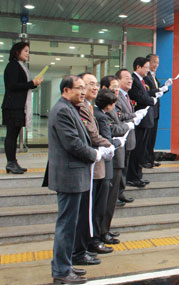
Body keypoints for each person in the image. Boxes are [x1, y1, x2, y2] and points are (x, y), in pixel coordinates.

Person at [49, 75, 99, 284]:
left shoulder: (69, 108)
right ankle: (61, 271)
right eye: (79, 88)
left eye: (83, 88)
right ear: (66, 90)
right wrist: (95, 154)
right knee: (66, 225)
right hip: (69, 175)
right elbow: (73, 144)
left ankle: (66, 265)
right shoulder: (62, 111)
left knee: (70, 224)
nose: (82, 91)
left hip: (74, 174)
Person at [75, 73, 114, 260]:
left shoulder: (88, 107)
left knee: (96, 206)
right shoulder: (80, 108)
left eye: (95, 84)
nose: (94, 88)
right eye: (89, 84)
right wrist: (109, 145)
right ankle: (85, 246)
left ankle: (88, 244)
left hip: (96, 163)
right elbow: (92, 134)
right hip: (89, 164)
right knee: (89, 209)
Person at [2, 42, 43, 174]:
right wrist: (32, 83)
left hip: (17, 106)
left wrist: (33, 84)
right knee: (11, 135)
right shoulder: (13, 66)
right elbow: (12, 86)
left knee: (14, 135)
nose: (28, 54)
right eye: (25, 51)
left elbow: (21, 86)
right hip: (13, 107)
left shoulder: (20, 66)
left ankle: (13, 162)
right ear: (17, 52)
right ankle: (10, 163)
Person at [100, 75, 133, 239]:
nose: (116, 90)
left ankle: (106, 229)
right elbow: (112, 128)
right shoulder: (102, 108)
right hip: (111, 158)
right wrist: (126, 126)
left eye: (117, 87)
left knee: (111, 200)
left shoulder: (113, 105)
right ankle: (102, 231)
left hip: (118, 156)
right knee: (107, 199)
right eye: (113, 87)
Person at [93, 88, 125, 245]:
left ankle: (102, 231)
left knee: (105, 201)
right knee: (102, 202)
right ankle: (99, 234)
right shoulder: (101, 116)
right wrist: (118, 141)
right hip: (104, 163)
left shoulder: (97, 113)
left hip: (106, 162)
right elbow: (106, 138)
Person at [127, 57, 157, 187]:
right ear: (138, 67)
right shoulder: (134, 80)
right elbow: (141, 97)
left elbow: (147, 93)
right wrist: (151, 100)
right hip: (140, 120)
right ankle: (132, 177)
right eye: (145, 67)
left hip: (146, 120)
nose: (147, 69)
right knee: (136, 150)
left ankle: (138, 175)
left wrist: (158, 92)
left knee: (141, 150)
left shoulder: (142, 80)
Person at [115, 69, 142, 199]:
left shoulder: (126, 95)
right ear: (118, 80)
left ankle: (121, 192)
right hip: (120, 138)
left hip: (129, 139)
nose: (130, 80)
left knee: (124, 167)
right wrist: (134, 115)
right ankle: (117, 193)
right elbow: (118, 115)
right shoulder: (116, 96)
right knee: (119, 169)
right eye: (126, 77)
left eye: (131, 78)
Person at [143, 54, 172, 168]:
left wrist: (166, 86)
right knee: (146, 137)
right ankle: (144, 160)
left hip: (155, 111)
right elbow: (149, 92)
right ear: (148, 62)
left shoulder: (154, 76)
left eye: (158, 63)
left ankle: (150, 159)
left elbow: (158, 92)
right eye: (154, 62)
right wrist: (161, 89)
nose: (156, 65)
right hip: (148, 111)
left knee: (152, 137)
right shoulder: (145, 76)